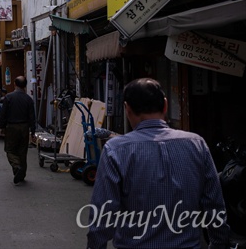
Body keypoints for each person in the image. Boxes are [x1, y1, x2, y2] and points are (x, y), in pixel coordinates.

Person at [87, 78, 230, 249]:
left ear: (127, 109)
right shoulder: (196, 144)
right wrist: (220, 243)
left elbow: (103, 213)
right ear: (165, 105)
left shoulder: (116, 150)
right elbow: (214, 205)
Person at [0, 76, 36, 185]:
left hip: (12, 127)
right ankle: (22, 174)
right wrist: (33, 131)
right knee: (22, 151)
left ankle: (16, 167)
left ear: (15, 84)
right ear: (25, 86)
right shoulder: (28, 99)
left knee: (10, 150)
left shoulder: (9, 97)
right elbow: (32, 117)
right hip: (24, 127)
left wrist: (2, 127)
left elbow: (3, 114)